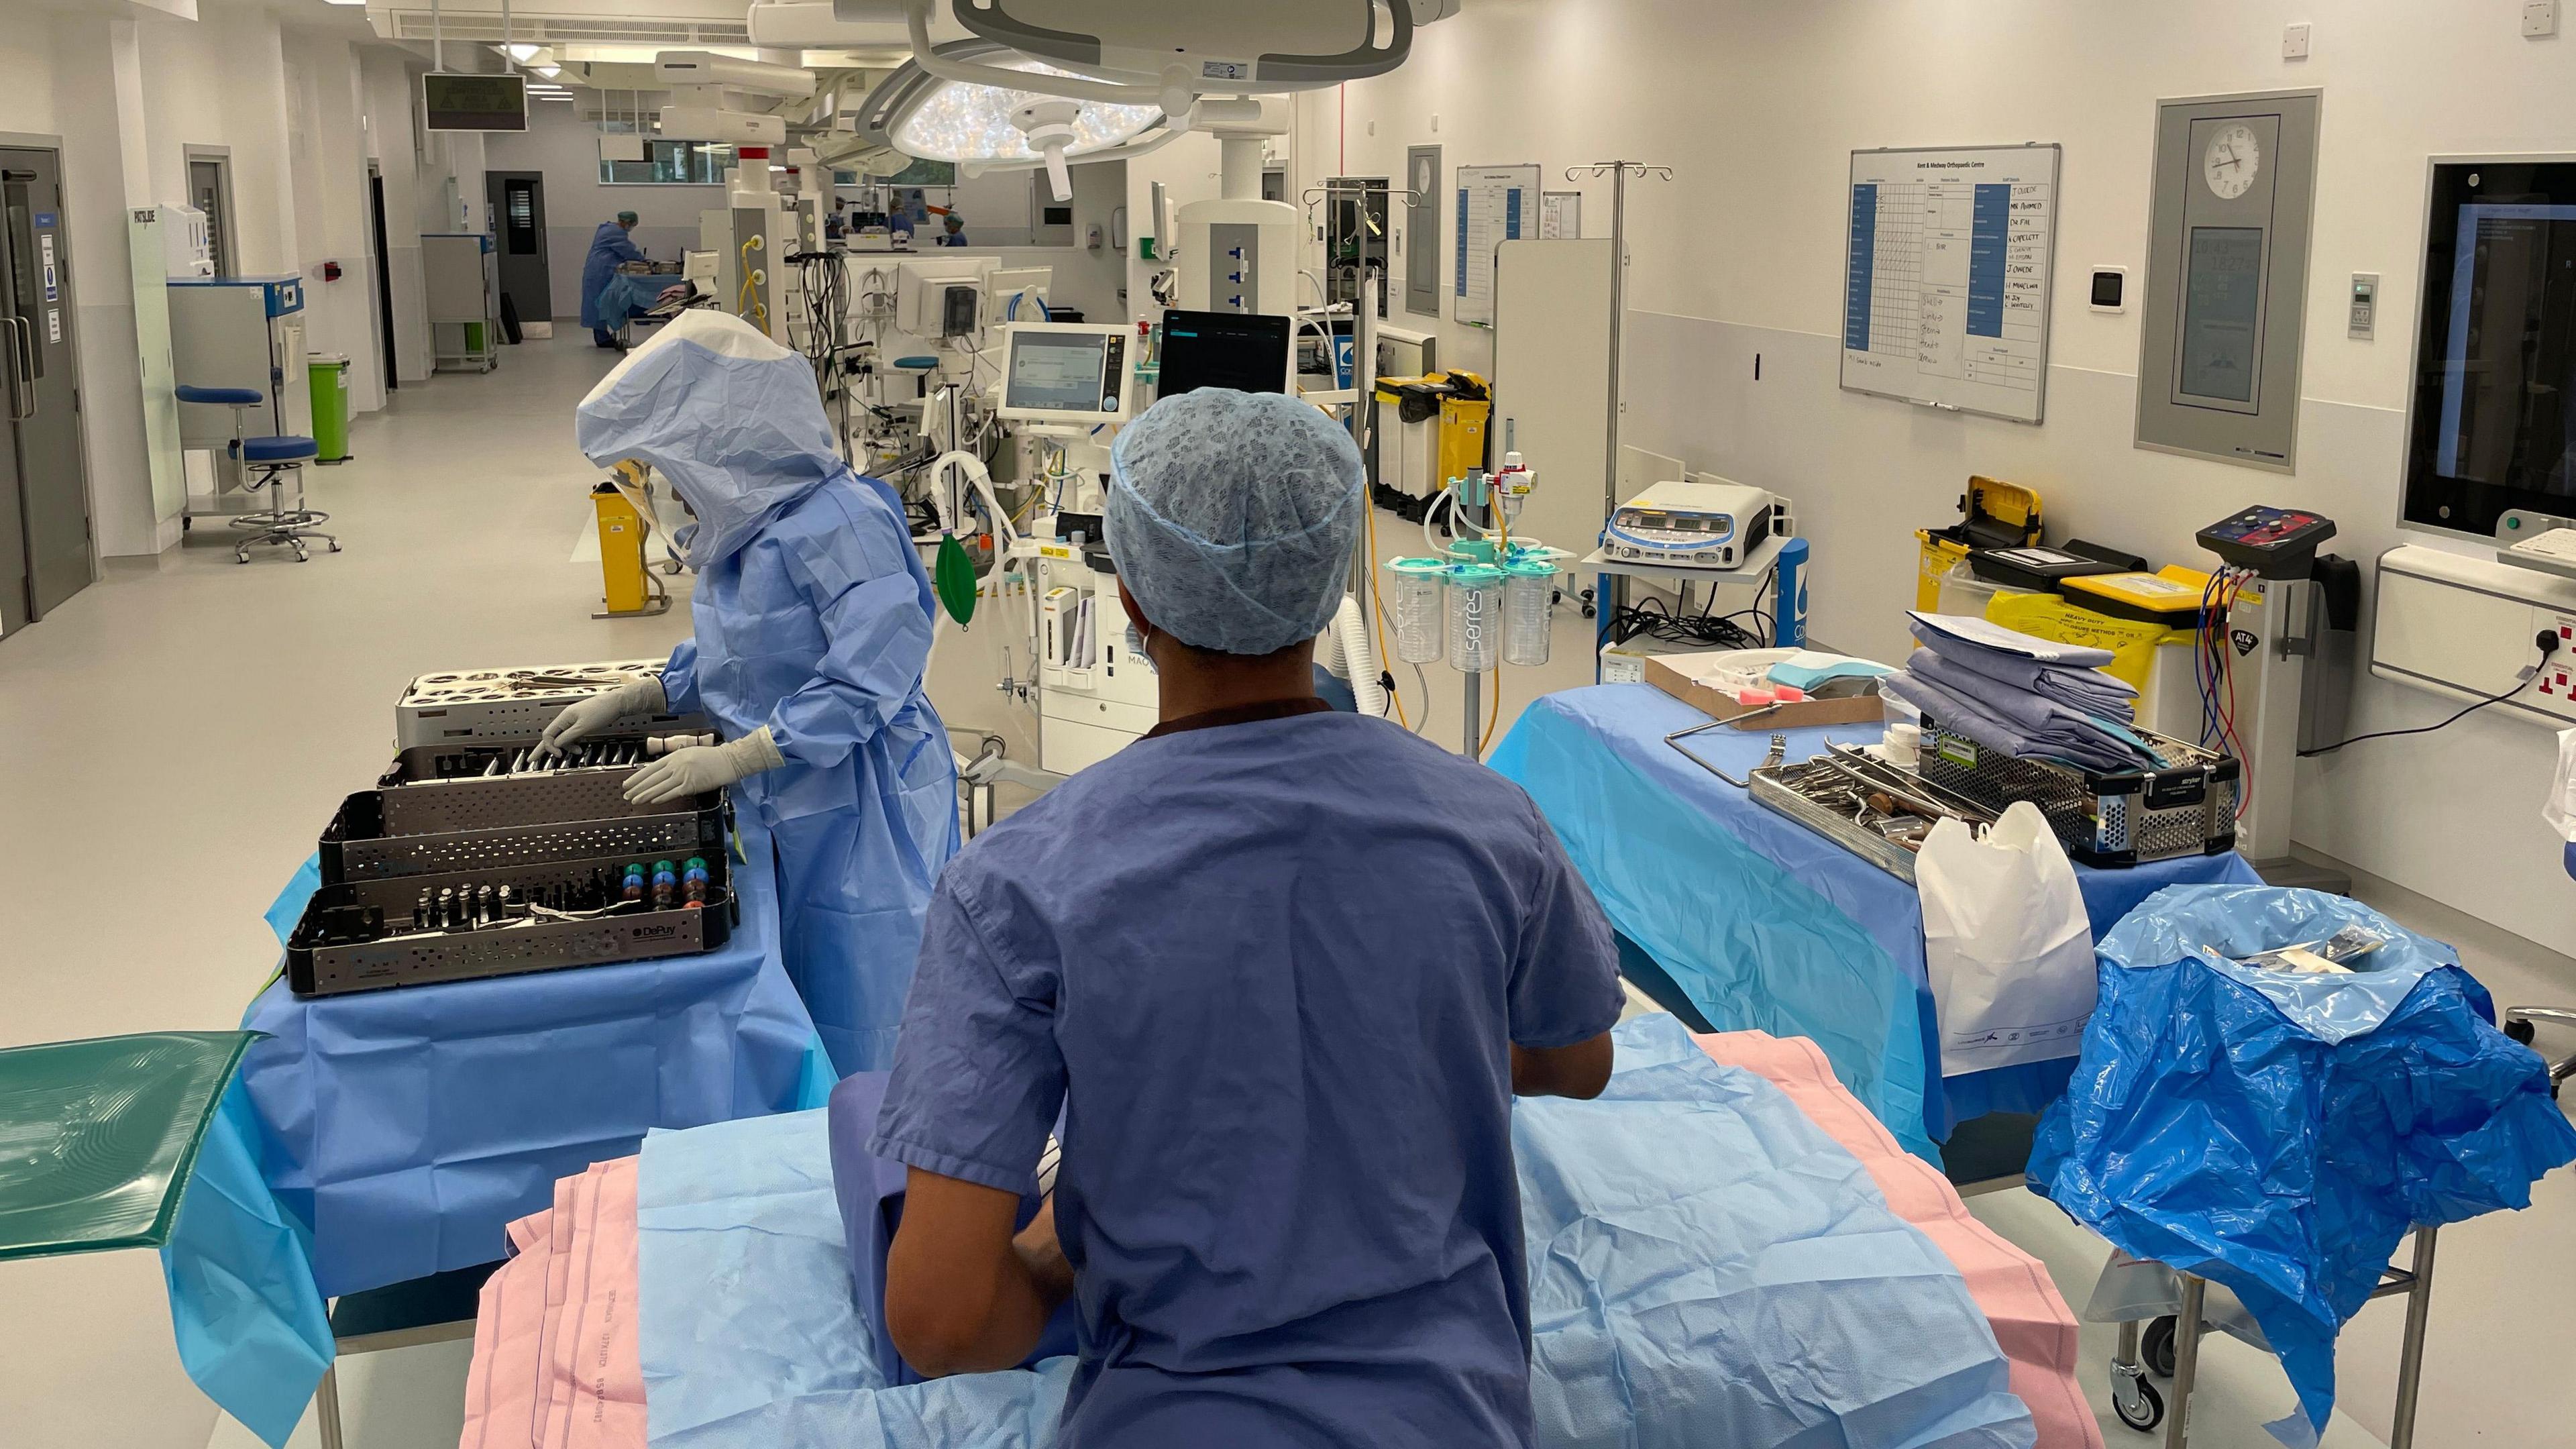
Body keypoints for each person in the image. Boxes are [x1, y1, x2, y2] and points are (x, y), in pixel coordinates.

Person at [869, 388, 1624, 1447]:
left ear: (1130, 596)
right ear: (1327, 590)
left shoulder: (1020, 884)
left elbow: (940, 1321)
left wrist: (1045, 1259)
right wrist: (1400, 1038)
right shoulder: (1488, 824)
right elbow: (1575, 1058)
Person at [540, 310, 960, 1073]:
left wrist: (746, 755)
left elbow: (872, 672)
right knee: (793, 984)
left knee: (867, 1001)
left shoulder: (842, 522)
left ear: (720, 443)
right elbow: (751, 653)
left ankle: (881, 1173)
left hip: (863, 799)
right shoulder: (748, 532)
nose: (666, 488)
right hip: (787, 792)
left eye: (668, 463)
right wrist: (647, 692)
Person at [580, 211, 646, 350]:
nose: (631, 228)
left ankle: (602, 336)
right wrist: (643, 260)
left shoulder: (607, 228)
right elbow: (627, 250)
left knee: (599, 302)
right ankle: (602, 338)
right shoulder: (615, 232)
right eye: (632, 225)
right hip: (601, 272)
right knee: (600, 302)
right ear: (626, 222)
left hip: (598, 270)